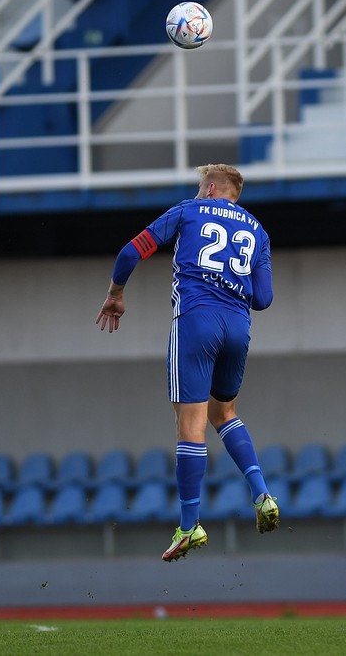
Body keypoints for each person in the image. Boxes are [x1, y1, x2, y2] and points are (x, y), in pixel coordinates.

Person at [95, 163, 279, 562]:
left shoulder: (188, 210)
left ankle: (189, 524)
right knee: (224, 412)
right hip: (237, 327)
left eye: (200, 187)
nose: (198, 193)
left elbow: (131, 250)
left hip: (196, 320)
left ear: (211, 188)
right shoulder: (258, 230)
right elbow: (263, 299)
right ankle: (262, 493)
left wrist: (115, 293)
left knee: (189, 425)